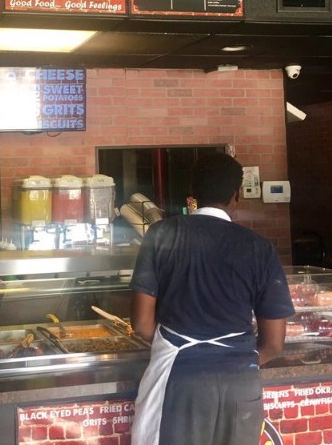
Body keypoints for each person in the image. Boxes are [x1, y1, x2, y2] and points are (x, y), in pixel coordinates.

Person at [129, 152, 294, 445]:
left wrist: (184, 347)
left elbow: (142, 324)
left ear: (192, 192)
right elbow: (274, 343)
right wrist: (232, 359)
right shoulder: (260, 248)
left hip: (180, 382)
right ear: (237, 194)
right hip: (242, 387)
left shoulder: (161, 234)